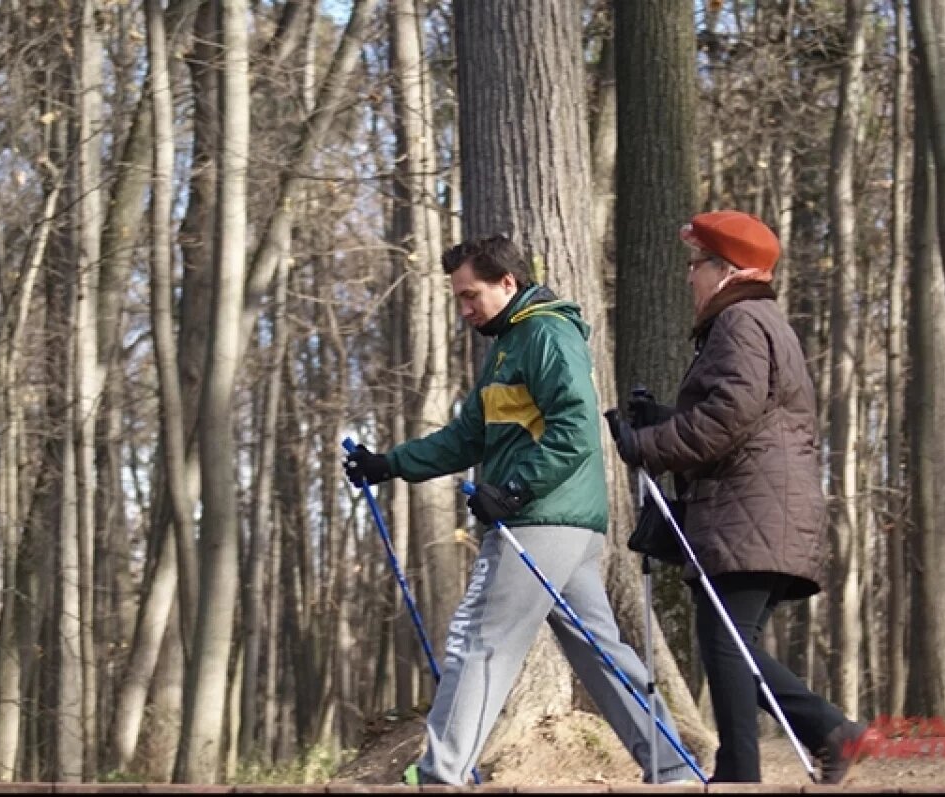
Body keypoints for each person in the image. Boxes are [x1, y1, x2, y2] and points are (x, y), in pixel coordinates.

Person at [344, 234, 698, 786]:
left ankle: (441, 773)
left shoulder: (546, 336)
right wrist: (389, 464)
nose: (464, 309)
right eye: (458, 297)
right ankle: (672, 767)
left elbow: (576, 432)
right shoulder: (509, 345)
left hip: (540, 520)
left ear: (507, 283)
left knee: (479, 639)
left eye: (471, 295)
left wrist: (513, 490)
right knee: (600, 652)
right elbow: (468, 437)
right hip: (564, 524)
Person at [605, 210, 876, 784]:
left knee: (726, 646)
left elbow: (730, 416)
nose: (688, 277)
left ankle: (758, 765)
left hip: (749, 513)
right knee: (732, 645)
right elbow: (742, 413)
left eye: (696, 264)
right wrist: (663, 420)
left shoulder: (742, 323)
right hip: (760, 512)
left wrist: (645, 444)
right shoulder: (757, 322)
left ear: (725, 271)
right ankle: (802, 743)